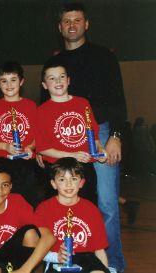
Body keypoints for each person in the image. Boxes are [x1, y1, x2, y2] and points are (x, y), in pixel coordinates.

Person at [41, 3, 128, 271]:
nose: (71, 25)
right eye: (67, 21)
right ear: (60, 27)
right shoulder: (54, 64)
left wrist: (114, 135)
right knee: (71, 202)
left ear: (86, 24)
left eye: (77, 20)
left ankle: (112, 266)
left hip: (98, 134)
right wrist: (40, 150)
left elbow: (118, 99)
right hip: (63, 139)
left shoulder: (104, 56)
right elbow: (42, 109)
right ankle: (69, 262)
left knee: (107, 203)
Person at [37, 61, 106, 204]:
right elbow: (43, 149)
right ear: (44, 85)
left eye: (62, 77)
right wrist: (72, 155)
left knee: (87, 208)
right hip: (58, 169)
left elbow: (94, 136)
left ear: (68, 80)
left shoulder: (83, 103)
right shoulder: (41, 111)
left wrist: (100, 150)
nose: (58, 81)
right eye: (52, 78)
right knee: (57, 213)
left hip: (84, 168)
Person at [36, 158, 110, 273]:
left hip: (87, 259)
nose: (68, 184)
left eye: (74, 179)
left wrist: (104, 270)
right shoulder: (43, 209)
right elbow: (36, 249)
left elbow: (99, 250)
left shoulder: (91, 210)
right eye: (62, 179)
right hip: (57, 260)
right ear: (53, 184)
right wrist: (56, 256)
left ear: (81, 183)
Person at [0, 61, 38, 206]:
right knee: (2, 205)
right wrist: (5, 146)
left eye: (13, 80)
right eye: (4, 81)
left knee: (27, 204)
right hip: (1, 163)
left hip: (26, 163)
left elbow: (37, 138)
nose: (9, 85)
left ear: (21, 82)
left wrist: (30, 148)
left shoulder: (31, 106)